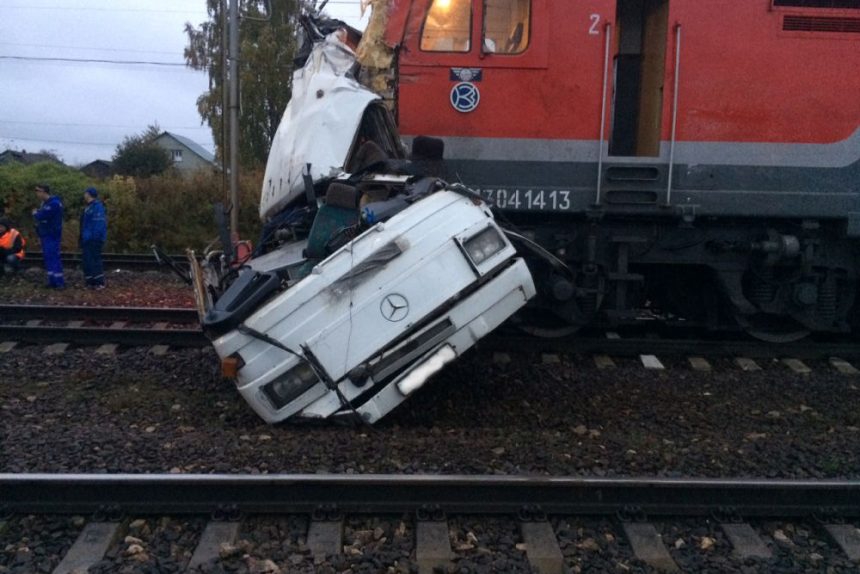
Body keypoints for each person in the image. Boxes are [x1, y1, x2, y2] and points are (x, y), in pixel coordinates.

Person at [32, 183, 65, 289]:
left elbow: (42, 215)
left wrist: (36, 213)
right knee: (48, 257)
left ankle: (59, 282)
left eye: (38, 191)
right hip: (45, 234)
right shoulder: (45, 203)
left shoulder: (54, 203)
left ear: (44, 192)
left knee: (53, 257)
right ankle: (52, 280)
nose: (36, 193)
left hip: (52, 234)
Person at [79, 186, 107, 288]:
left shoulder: (97, 207)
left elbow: (98, 223)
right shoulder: (88, 207)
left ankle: (99, 282)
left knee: (95, 259)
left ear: (89, 194)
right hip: (86, 238)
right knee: (87, 260)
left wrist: (94, 237)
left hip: (93, 239)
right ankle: (90, 281)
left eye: (85, 193)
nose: (84, 195)